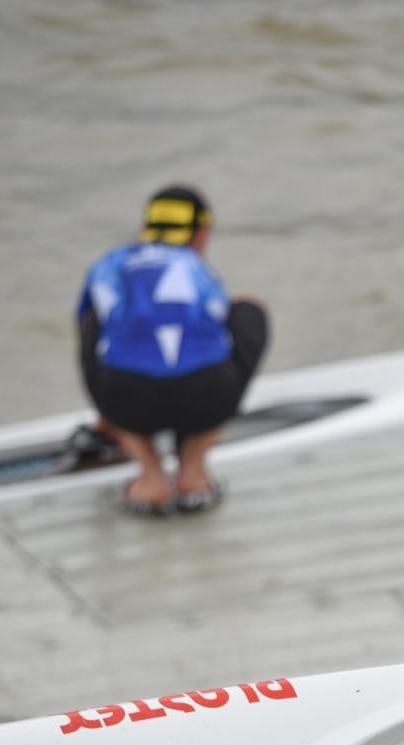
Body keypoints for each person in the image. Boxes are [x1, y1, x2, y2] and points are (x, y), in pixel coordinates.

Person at [76, 184, 268, 515]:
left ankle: (150, 478)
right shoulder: (198, 269)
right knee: (249, 311)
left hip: (127, 403)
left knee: (94, 322)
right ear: (202, 233)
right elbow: (214, 332)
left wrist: (109, 419)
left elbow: (94, 339)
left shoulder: (109, 264)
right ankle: (193, 474)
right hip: (207, 399)